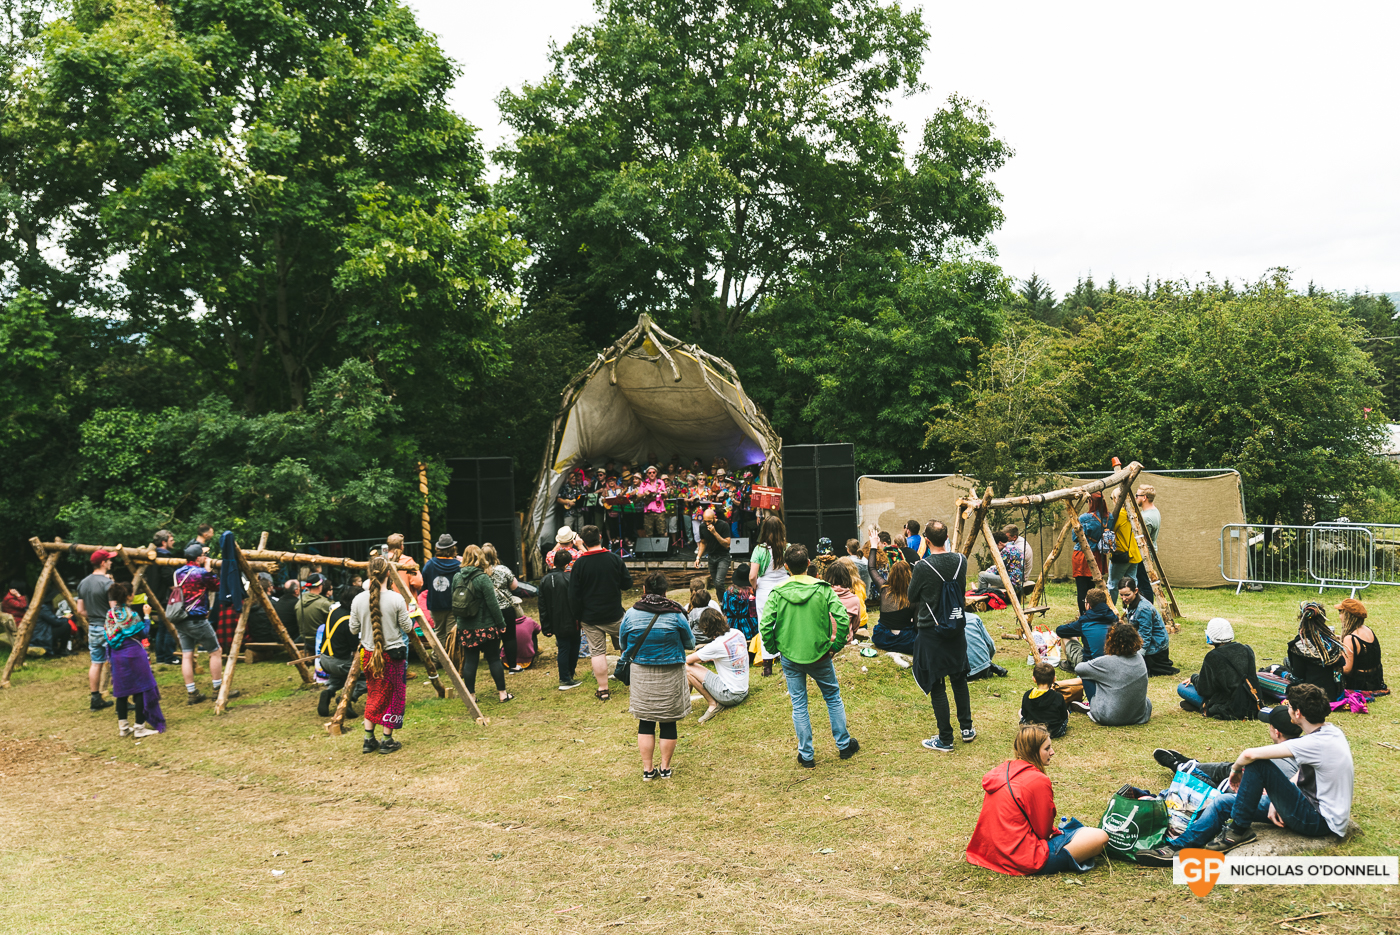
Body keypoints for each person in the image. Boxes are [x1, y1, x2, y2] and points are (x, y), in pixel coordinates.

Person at [1135, 706, 1305, 865]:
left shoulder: (1283, 759)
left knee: (1220, 795)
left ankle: (1178, 846)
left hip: (1287, 805)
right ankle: (1186, 768)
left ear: (1276, 731)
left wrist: (1278, 797)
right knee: (1230, 769)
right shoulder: (1305, 745)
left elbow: (1251, 761)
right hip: (1284, 796)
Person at [1205, 683, 1355, 852]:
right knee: (1225, 802)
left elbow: (1249, 755)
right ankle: (1183, 844)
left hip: (1318, 821)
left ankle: (1238, 830)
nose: (1287, 708)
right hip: (1319, 811)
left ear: (1297, 713)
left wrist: (1235, 770)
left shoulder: (1313, 743)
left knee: (1258, 764)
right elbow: (1302, 772)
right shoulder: (1332, 732)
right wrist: (1278, 801)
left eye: (1289, 706)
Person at [760, 543, 860, 767]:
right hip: (820, 654)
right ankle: (844, 745)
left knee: (799, 704)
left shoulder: (777, 592)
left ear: (786, 566)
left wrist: (774, 647)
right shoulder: (823, 589)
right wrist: (836, 645)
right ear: (808, 564)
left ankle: (806, 755)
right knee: (832, 697)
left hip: (790, 655)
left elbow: (765, 625)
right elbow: (842, 618)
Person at [965, 724, 1109, 875]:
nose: (1052, 752)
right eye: (1047, 748)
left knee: (1077, 831)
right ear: (1032, 751)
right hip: (1022, 857)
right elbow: (1043, 832)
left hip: (989, 852)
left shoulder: (1003, 770)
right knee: (1100, 837)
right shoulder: (1037, 780)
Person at [906, 521, 975, 753]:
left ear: (926, 540)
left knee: (936, 684)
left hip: (931, 629)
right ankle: (967, 728)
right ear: (946, 538)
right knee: (959, 677)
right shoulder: (961, 560)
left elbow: (912, 596)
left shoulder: (922, 566)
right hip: (955, 625)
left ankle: (945, 739)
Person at [621, 571, 695, 780]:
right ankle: (665, 768)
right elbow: (690, 643)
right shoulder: (676, 614)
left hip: (641, 674)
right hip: (670, 673)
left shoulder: (631, 614)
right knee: (668, 721)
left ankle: (647, 769)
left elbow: (623, 642)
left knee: (645, 721)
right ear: (665, 592)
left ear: (644, 590)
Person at [350, 555, 412, 754]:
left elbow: (353, 629)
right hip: (392, 655)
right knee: (394, 696)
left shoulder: (358, 599)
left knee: (374, 693)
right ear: (388, 573)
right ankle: (387, 740)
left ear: (370, 573)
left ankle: (369, 739)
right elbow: (407, 627)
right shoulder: (396, 599)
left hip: (368, 654)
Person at [569, 525, 634, 701]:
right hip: (614, 614)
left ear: (582, 541)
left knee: (597, 653)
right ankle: (634, 682)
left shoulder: (579, 564)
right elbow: (627, 584)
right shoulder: (614, 559)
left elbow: (573, 595)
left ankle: (603, 689)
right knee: (626, 647)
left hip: (590, 618)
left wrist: (577, 617)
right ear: (600, 537)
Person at [452, 545, 513, 705]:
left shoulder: (457, 577)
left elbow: (454, 601)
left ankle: (471, 696)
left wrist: (458, 621)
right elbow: (493, 604)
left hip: (465, 627)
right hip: (486, 626)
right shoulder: (483, 578)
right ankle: (502, 694)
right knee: (493, 659)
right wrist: (501, 623)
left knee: (470, 661)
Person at [103, 581, 165, 739]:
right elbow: (143, 633)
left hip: (116, 655)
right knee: (141, 689)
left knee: (122, 691)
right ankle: (139, 727)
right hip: (134, 654)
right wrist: (146, 616)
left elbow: (109, 634)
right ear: (129, 596)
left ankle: (123, 728)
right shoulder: (132, 615)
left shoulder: (110, 614)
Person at [1177, 617, 1262, 719]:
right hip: (1251, 700)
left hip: (1228, 705)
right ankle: (1198, 705)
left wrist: (1194, 678)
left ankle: (1202, 705)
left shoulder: (1213, 656)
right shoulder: (1247, 649)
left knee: (1181, 688)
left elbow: (1204, 690)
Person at [1074, 623, 1152, 726]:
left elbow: (1079, 669)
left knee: (1087, 675)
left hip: (1110, 717)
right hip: (1139, 715)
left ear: (1111, 641)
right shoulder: (1140, 658)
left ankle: (1094, 705)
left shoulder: (1106, 662)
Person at [687, 607, 750, 723]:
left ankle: (713, 704)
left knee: (687, 668)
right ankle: (684, 702)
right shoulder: (737, 633)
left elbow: (687, 661)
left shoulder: (716, 645)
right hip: (743, 689)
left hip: (730, 695)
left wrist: (701, 658)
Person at [1054, 587, 1116, 704]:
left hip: (1089, 665)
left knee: (1067, 636)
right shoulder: (1114, 619)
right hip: (1112, 664)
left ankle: (1069, 664)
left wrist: (1075, 630)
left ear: (1088, 605)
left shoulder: (1085, 622)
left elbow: (1060, 631)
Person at [749, 516, 789, 676]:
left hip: (764, 589)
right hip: (785, 587)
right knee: (784, 624)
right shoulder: (788, 547)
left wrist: (754, 587)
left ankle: (767, 666)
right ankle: (786, 661)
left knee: (765, 625)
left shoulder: (759, 549)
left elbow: (752, 575)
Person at [78, 549, 118, 711]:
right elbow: (114, 610)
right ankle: (122, 698)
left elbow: (80, 610)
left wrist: (94, 615)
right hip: (108, 628)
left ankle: (95, 698)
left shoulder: (83, 583)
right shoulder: (107, 583)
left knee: (96, 663)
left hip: (93, 627)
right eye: (109, 560)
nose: (111, 562)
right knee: (117, 662)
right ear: (103, 563)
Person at [1284, 601, 1346, 702]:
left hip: (1309, 696)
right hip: (1332, 695)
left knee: (1267, 677)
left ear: (1302, 620)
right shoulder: (1332, 643)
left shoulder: (1299, 645)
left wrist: (1286, 677)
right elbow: (1341, 665)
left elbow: (1298, 679)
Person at [538, 550, 582, 690]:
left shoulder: (544, 580)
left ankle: (567, 676)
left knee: (564, 647)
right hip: (572, 620)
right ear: (567, 563)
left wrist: (546, 626)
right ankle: (566, 677)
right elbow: (577, 600)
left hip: (556, 621)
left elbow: (542, 606)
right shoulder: (570, 579)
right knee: (572, 647)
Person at [316, 593, 365, 717]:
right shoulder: (349, 621)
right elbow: (355, 651)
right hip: (339, 662)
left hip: (324, 659)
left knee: (340, 676)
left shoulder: (334, 611)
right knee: (371, 676)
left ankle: (329, 691)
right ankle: (348, 698)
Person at [1118, 577, 1177, 676]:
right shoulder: (1134, 602)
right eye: (1121, 595)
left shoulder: (1143, 608)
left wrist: (1138, 657)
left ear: (1136, 591)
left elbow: (1145, 635)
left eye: (1127, 595)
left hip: (1156, 645)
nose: (1124, 598)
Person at [482, 544, 522, 674]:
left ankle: (493, 664)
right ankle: (512, 666)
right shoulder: (503, 569)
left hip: (488, 610)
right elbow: (514, 586)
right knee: (509, 638)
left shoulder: (479, 571)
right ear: (495, 554)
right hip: (505, 608)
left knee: (491, 638)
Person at [1335, 597, 1387, 694]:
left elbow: (1347, 670)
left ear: (1347, 616)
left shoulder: (1350, 639)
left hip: (1360, 684)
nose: (1339, 616)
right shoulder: (1367, 630)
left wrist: (1331, 666)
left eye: (1340, 612)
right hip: (1374, 681)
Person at [418, 534, 461, 645]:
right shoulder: (458, 566)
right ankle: (449, 655)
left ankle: (438, 655)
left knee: (439, 633)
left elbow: (424, 584)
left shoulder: (430, 565)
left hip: (435, 604)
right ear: (452, 548)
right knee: (450, 634)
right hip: (453, 604)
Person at [1071, 493, 1109, 614]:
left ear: (1091, 502)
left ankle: (1084, 614)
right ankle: (1093, 612)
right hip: (1098, 555)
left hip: (1083, 554)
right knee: (1093, 588)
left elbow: (1074, 537)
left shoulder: (1085, 518)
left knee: (1082, 589)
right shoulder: (1109, 517)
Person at [1105, 493, 1143, 606]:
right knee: (1132, 583)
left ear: (1117, 499)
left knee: (1112, 584)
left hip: (1122, 555)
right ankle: (1134, 608)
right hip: (1135, 554)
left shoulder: (1120, 514)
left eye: (1112, 498)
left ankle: (1110, 609)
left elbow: (1109, 529)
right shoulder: (1134, 513)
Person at [149, 530, 180, 665]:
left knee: (162, 627)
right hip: (166, 597)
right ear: (164, 542)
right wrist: (176, 589)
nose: (173, 542)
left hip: (156, 595)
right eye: (171, 540)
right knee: (169, 626)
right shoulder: (164, 556)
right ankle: (170, 656)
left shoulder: (152, 555)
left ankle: (161, 656)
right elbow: (168, 577)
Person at [871, 560, 915, 654]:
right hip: (906, 641)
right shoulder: (913, 596)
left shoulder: (884, 589)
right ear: (909, 574)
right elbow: (918, 624)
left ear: (891, 574)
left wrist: (873, 550)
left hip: (882, 638)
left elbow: (871, 568)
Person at [1020, 662, 1068, 738]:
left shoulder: (1028, 695)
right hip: (1054, 732)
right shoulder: (1058, 696)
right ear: (1054, 679)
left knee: (1020, 712)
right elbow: (1064, 716)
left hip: (1033, 731)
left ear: (1034, 679)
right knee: (1067, 712)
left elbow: (1024, 714)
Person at [823, 560, 863, 643]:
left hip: (825, 643)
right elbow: (855, 626)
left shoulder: (821, 596)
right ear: (847, 577)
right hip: (845, 642)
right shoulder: (854, 599)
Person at [295, 573, 332, 660]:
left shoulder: (299, 602)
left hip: (304, 639)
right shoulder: (324, 603)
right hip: (319, 640)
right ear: (319, 586)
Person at [694, 507, 731, 591]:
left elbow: (727, 544)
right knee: (716, 584)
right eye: (705, 521)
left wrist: (714, 533)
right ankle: (722, 599)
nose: (707, 523)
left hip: (723, 556)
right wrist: (698, 557)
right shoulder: (702, 527)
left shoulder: (723, 525)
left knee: (719, 582)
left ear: (715, 517)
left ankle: (725, 598)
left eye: (709, 521)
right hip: (711, 557)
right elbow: (703, 543)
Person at [1135, 485, 1160, 601]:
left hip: (1144, 555)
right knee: (1144, 582)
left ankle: (1147, 607)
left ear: (1144, 497)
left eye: (1137, 495)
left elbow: (1142, 540)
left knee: (1143, 584)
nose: (1135, 498)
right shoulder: (1154, 511)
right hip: (1150, 551)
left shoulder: (1146, 517)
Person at [720, 563, 759, 639]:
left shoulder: (727, 594)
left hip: (732, 630)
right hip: (751, 629)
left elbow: (724, 610)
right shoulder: (754, 594)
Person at [964, 612, 1007, 680]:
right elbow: (990, 643)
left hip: (963, 672)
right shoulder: (974, 618)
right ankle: (992, 666)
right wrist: (986, 661)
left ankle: (991, 666)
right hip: (984, 668)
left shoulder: (947, 623)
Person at [637, 465, 669, 539]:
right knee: (648, 532)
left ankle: (663, 546)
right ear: (647, 474)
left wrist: (663, 493)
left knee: (662, 531)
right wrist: (644, 494)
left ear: (656, 473)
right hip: (648, 511)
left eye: (653, 472)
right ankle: (649, 547)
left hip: (660, 510)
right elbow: (638, 497)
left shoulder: (660, 482)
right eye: (650, 473)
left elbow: (666, 494)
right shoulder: (643, 483)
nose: (652, 474)